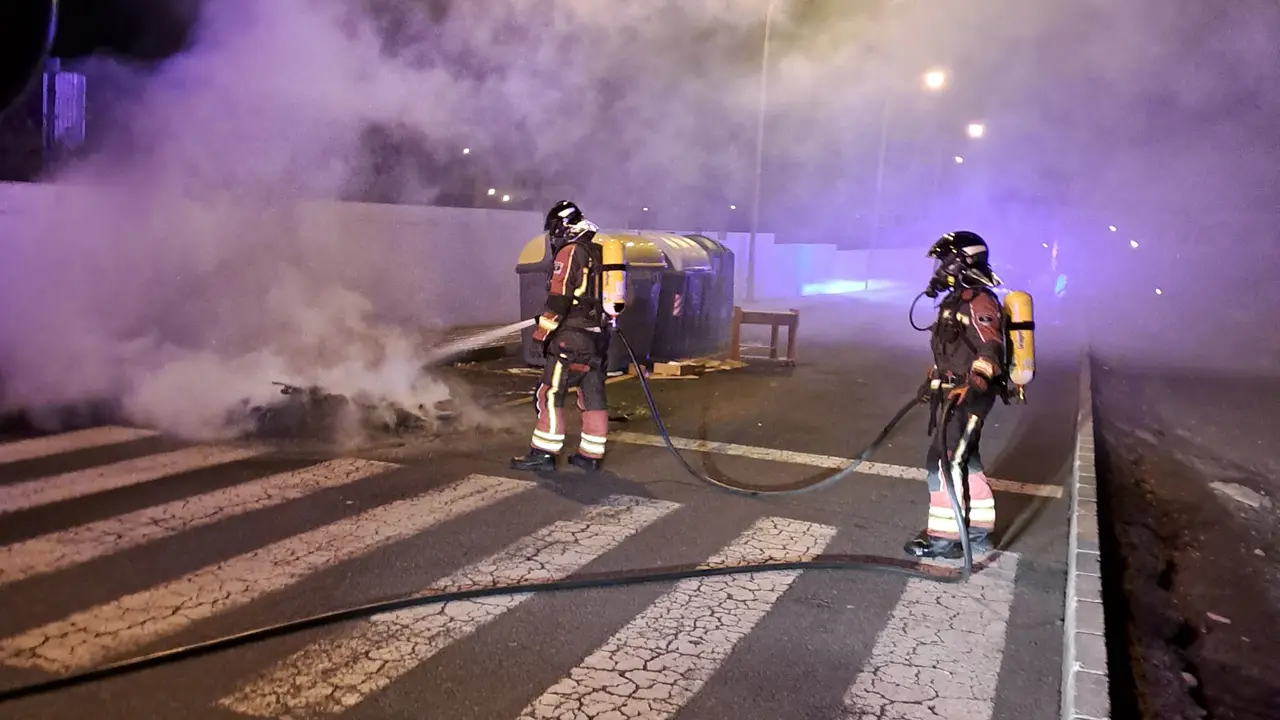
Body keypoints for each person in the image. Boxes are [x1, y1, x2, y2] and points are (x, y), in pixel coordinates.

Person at [905, 230, 1004, 560]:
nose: (939, 270)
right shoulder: (954, 302)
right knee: (965, 459)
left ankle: (945, 539)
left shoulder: (980, 302)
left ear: (962, 264)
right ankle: (977, 532)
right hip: (953, 392)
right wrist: (934, 380)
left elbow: (990, 346)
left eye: (944, 263)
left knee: (943, 462)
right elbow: (953, 350)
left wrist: (976, 379)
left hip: (970, 396)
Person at [510, 200, 612, 473]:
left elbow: (560, 298)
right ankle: (591, 456)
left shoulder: (570, 252)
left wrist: (542, 333)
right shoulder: (599, 252)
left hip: (571, 338)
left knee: (550, 394)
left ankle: (544, 453)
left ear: (563, 226)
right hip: (597, 339)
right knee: (592, 395)